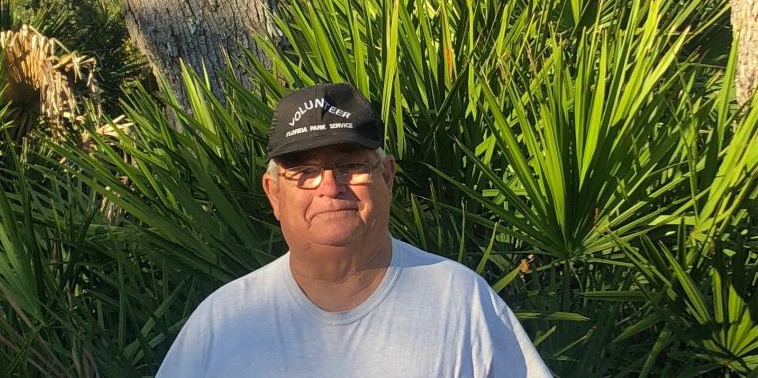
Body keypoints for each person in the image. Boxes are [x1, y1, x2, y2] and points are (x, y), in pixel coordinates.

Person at [156, 83, 552, 377]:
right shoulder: (222, 322)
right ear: (273, 192)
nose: (330, 187)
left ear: (388, 177)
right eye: (305, 173)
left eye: (350, 167)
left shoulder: (459, 300)